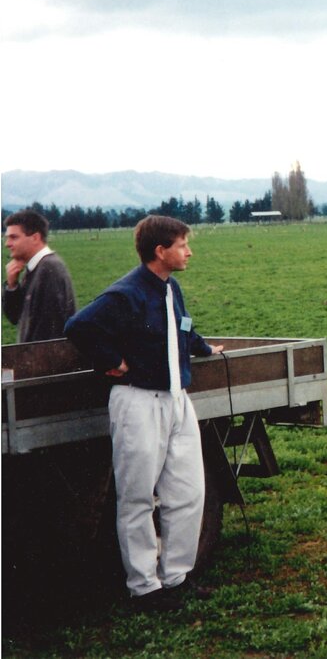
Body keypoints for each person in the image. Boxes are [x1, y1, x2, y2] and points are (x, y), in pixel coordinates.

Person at [65, 215, 223, 611]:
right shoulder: (126, 293)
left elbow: (182, 328)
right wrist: (109, 360)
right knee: (137, 497)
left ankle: (176, 577)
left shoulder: (172, 288)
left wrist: (205, 350)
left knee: (189, 492)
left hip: (176, 400)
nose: (189, 251)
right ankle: (144, 587)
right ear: (160, 251)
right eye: (183, 244)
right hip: (138, 403)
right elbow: (79, 326)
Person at [3, 209, 76, 342]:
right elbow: (15, 317)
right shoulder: (35, 268)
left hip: (42, 360)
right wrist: (12, 286)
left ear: (35, 238)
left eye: (13, 237)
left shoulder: (49, 269)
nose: (7, 244)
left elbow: (49, 333)